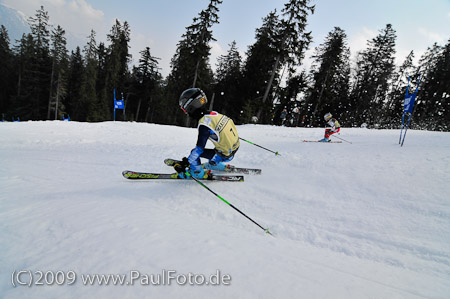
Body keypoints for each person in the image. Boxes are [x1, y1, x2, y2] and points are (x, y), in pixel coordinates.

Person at [174, 88, 240, 179]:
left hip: (225, 155)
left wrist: (186, 163)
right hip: (234, 149)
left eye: (184, 109)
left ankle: (197, 173)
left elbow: (198, 150)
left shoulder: (204, 124)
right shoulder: (214, 114)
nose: (185, 112)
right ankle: (214, 163)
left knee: (194, 152)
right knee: (218, 147)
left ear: (191, 106)